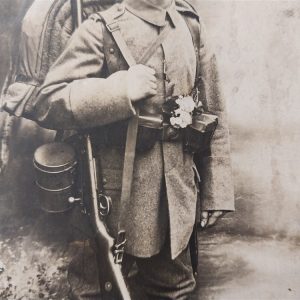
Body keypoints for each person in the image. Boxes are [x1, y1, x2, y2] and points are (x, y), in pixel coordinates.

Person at [30, 0, 235, 298]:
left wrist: (217, 188)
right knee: (95, 290)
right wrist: (119, 90)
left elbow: (214, 111)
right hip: (113, 201)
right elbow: (48, 102)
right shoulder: (100, 29)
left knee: (174, 291)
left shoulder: (190, 25)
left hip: (175, 198)